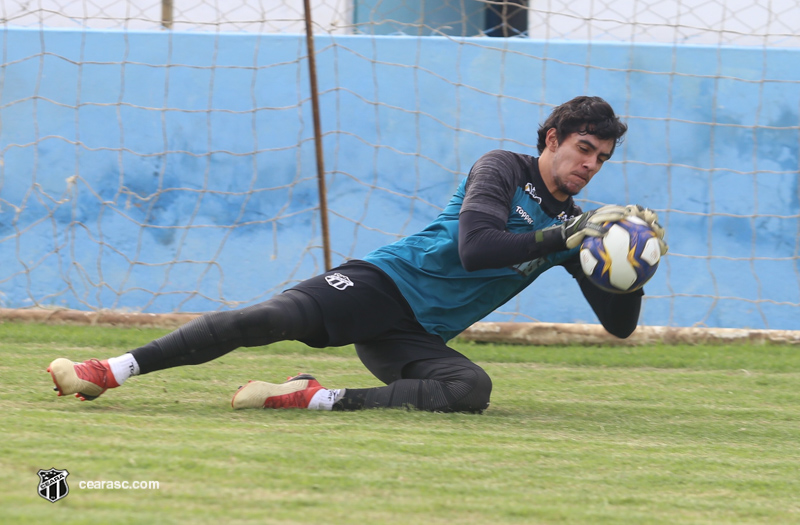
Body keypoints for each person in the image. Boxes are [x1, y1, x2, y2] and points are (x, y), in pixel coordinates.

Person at [47, 95, 667, 414]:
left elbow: (620, 326)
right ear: (553, 139)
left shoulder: (579, 228)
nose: (590, 166)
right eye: (584, 149)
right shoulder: (503, 167)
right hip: (380, 285)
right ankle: (108, 371)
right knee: (266, 320)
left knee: (469, 390)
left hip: (414, 335)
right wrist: (570, 237)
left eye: (602, 159)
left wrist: (630, 263)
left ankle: (309, 397)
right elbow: (476, 249)